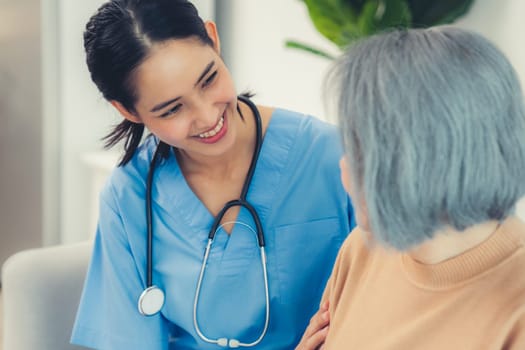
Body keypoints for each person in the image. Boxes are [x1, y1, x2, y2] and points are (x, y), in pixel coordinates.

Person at [70, 0, 354, 349]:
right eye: (173, 108)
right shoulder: (128, 196)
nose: (207, 117)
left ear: (213, 38)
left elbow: (396, 311)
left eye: (209, 80)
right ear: (128, 110)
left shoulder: (334, 158)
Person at [298, 26, 525, 349]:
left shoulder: (516, 316)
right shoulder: (361, 250)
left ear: (421, 161)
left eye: (362, 147)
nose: (344, 165)